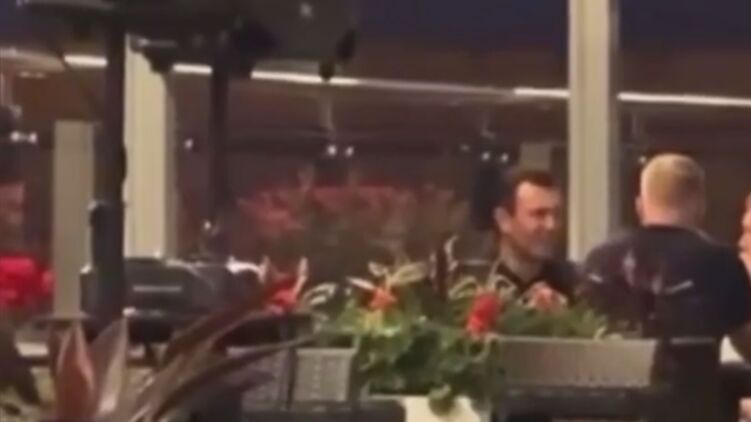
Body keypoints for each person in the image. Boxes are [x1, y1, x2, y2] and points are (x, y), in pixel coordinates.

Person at [582, 154, 751, 359]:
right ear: (700, 204)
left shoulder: (599, 262)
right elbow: (747, 343)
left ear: (639, 205)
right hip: (691, 379)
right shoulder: (722, 264)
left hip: (611, 377)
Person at [490, 168, 577, 298]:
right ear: (504, 220)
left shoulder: (574, 285)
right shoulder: (475, 287)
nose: (551, 225)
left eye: (557, 214)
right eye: (539, 214)